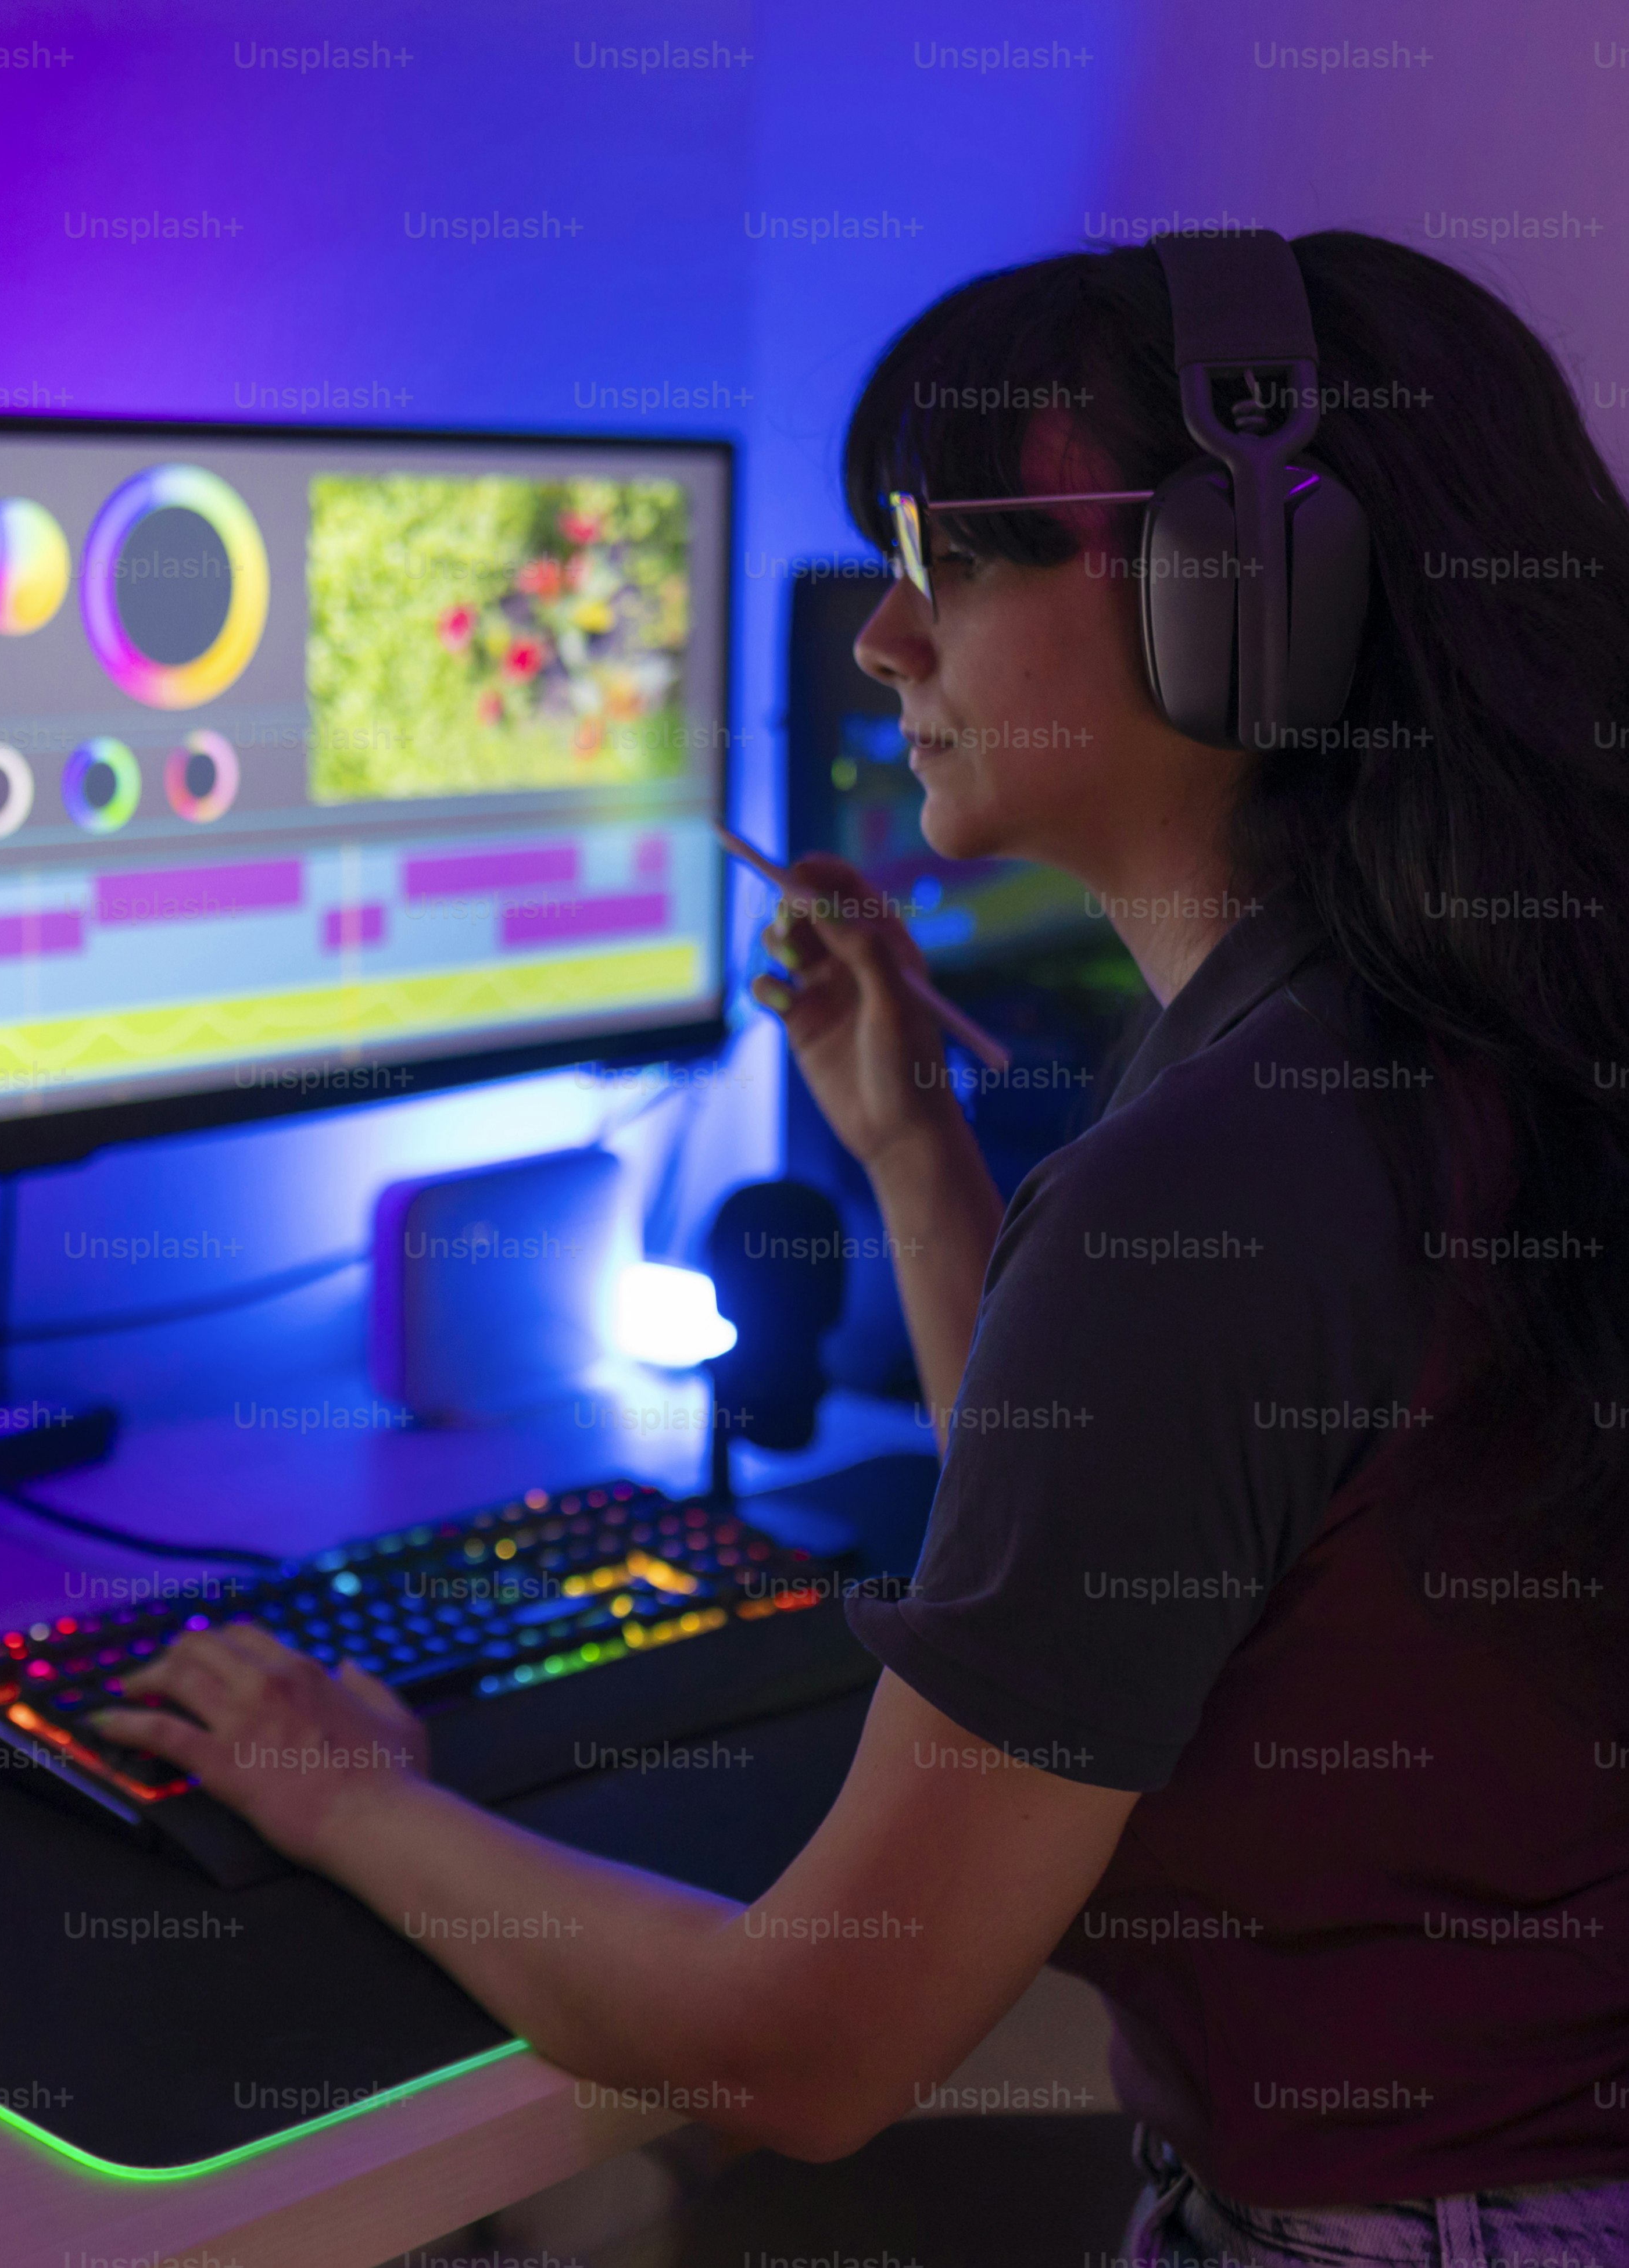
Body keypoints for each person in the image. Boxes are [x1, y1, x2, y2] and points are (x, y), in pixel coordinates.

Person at [95, 230, 1629, 2264]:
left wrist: (335, 1788)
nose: (888, 641)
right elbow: (1174, 1532)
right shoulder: (1463, 1035)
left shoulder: (1234, 1170)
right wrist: (913, 1155)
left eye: (962, 556)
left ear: (1255, 597)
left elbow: (809, 2050)